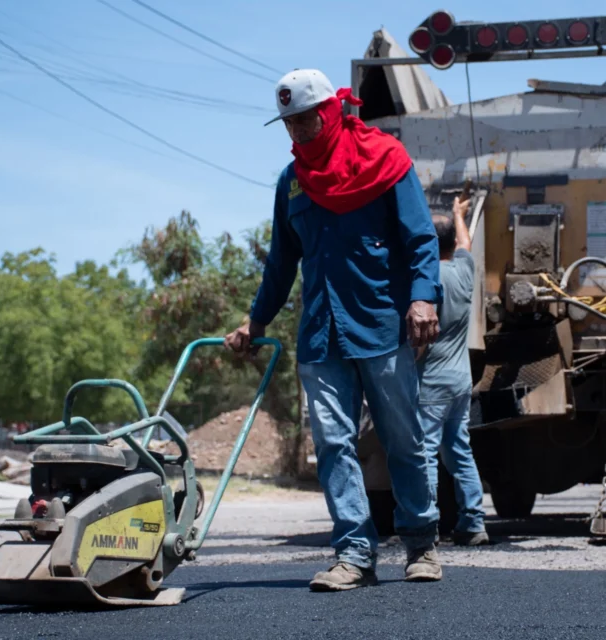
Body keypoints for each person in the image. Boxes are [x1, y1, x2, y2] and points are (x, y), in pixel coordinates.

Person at [224, 69, 444, 592]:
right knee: (332, 443)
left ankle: (421, 544)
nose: (297, 129)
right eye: (289, 122)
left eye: (305, 118)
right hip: (322, 335)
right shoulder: (292, 182)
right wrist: (254, 321)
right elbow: (281, 262)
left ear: (330, 111)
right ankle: (354, 554)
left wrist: (420, 298)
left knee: (404, 440)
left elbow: (420, 240)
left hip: (382, 325)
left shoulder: (385, 160)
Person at [418, 195, 489, 546]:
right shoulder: (464, 269)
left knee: (426, 452)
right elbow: (466, 243)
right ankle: (473, 522)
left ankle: (427, 526)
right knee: (460, 450)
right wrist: (460, 214)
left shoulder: (425, 280)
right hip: (462, 379)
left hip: (431, 381)